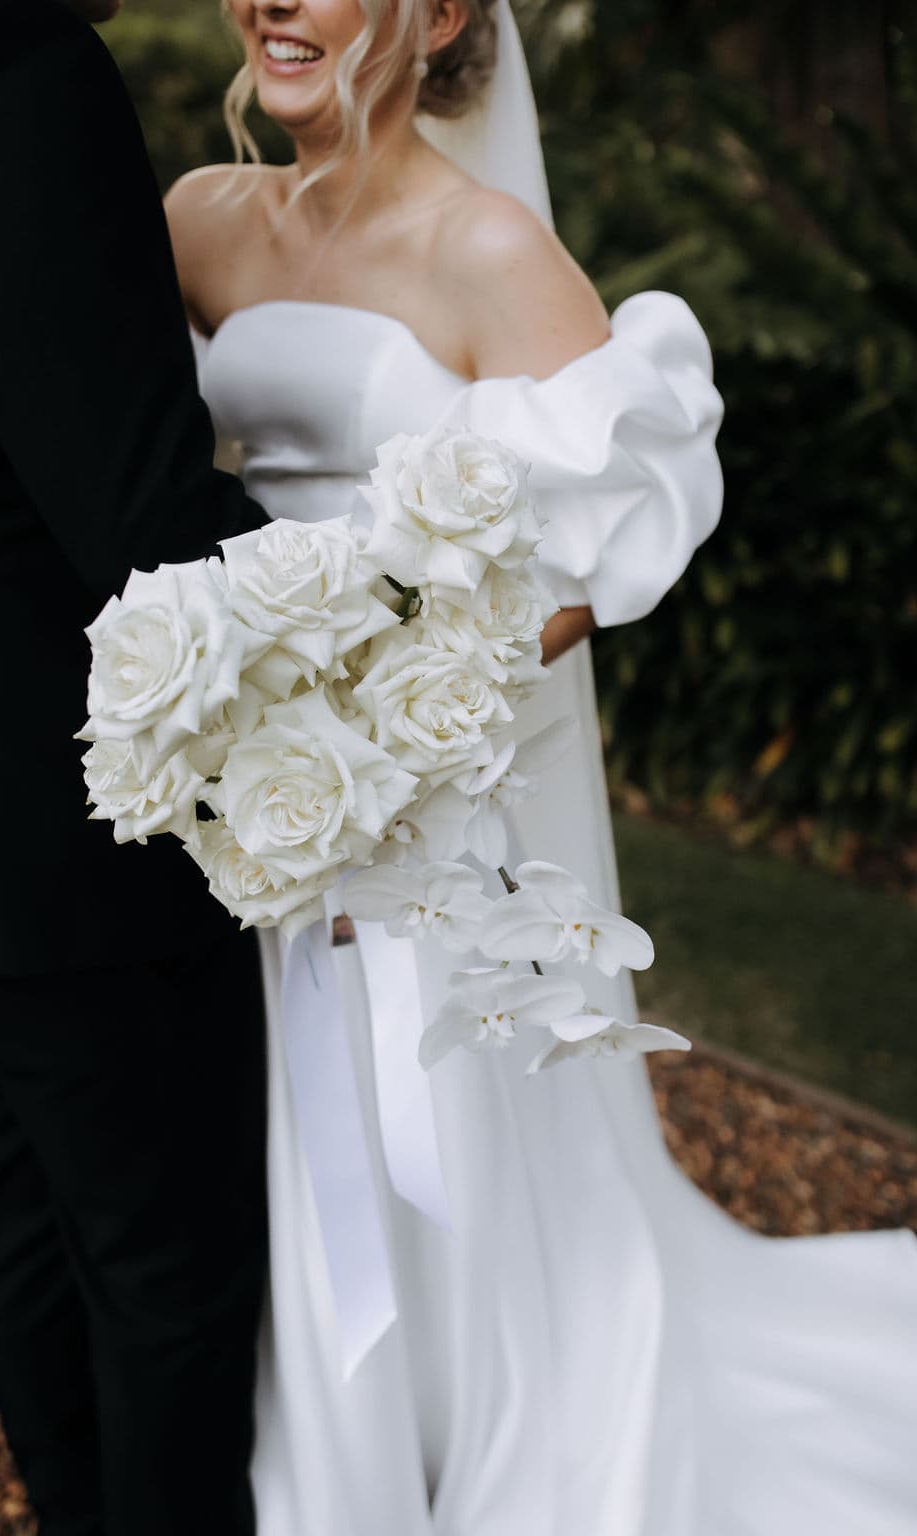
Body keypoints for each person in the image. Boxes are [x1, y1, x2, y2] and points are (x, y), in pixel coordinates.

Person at [166, 0, 917, 1530]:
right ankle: (331, 1452)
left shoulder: (491, 250)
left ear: (436, 13)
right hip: (238, 780)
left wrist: (394, 713)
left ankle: (483, 1443)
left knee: (431, 1122)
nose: (272, 2)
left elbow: (611, 531)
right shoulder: (198, 217)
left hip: (427, 805)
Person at [0, 0, 270, 1531]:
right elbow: (139, 510)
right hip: (62, 793)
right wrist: (402, 602)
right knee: (160, 1265)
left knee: (37, 1205)